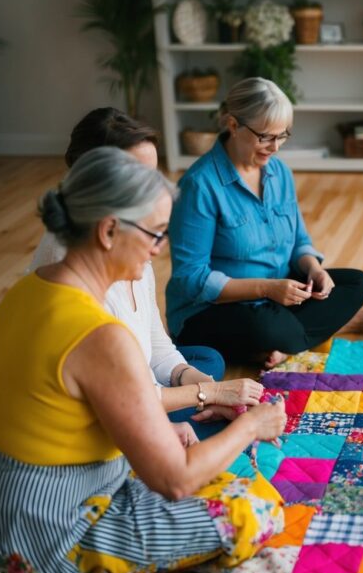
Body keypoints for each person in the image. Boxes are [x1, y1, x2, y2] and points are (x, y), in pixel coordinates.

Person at [0, 148, 288, 573]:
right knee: (255, 506)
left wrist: (158, 426)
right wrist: (250, 427)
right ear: (109, 230)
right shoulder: (103, 337)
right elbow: (175, 480)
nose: (159, 250)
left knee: (190, 451)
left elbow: (61, 415)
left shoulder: (28, 290)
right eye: (155, 234)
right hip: (38, 547)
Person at [28, 108, 262, 425]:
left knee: (207, 361)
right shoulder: (75, 274)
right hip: (107, 417)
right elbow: (129, 401)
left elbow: (155, 342)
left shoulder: (130, 236)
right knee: (221, 420)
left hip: (131, 387)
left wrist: (198, 382)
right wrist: (212, 397)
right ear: (97, 178)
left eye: (154, 176)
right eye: (140, 178)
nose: (152, 189)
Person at [167, 78, 363, 369]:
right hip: (214, 310)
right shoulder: (199, 186)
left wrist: (314, 269)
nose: (275, 147)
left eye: (283, 135)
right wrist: (266, 289)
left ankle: (289, 342)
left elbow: (299, 241)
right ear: (233, 125)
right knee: (266, 327)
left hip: (278, 296)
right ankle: (314, 332)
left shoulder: (279, 173)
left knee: (356, 283)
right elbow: (190, 278)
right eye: (265, 136)